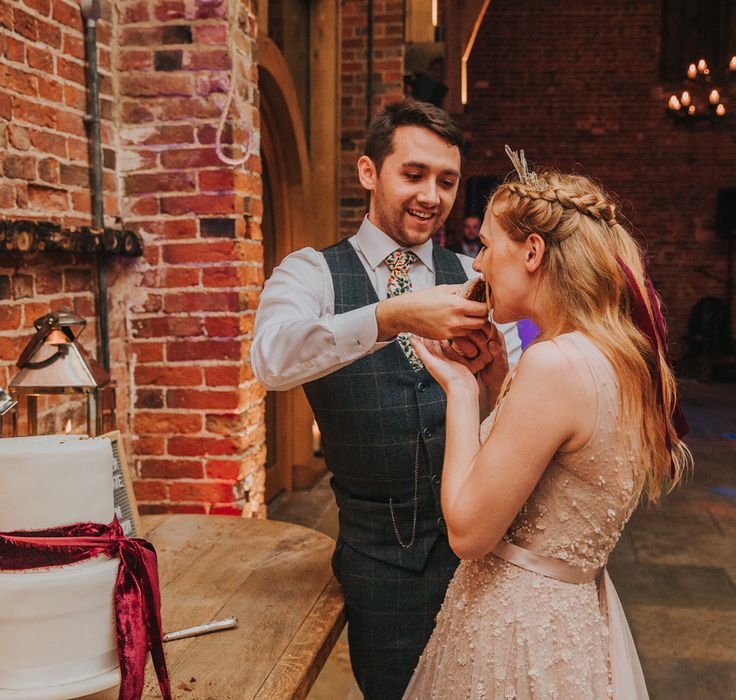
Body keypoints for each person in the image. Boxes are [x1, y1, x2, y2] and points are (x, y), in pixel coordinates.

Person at [250, 100, 521, 699]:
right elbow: (271, 359)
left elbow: (520, 405)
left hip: (486, 554)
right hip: (381, 563)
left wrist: (498, 380)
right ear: (369, 172)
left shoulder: (476, 274)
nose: (432, 195)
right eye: (414, 174)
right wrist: (387, 315)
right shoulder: (312, 273)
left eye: (446, 181)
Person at [403, 149, 692, 699]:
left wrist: (461, 391)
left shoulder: (554, 363)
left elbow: (469, 532)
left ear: (532, 251)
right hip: (572, 618)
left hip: (516, 631)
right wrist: (494, 385)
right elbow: (552, 484)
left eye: (486, 246)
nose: (479, 264)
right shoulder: (618, 353)